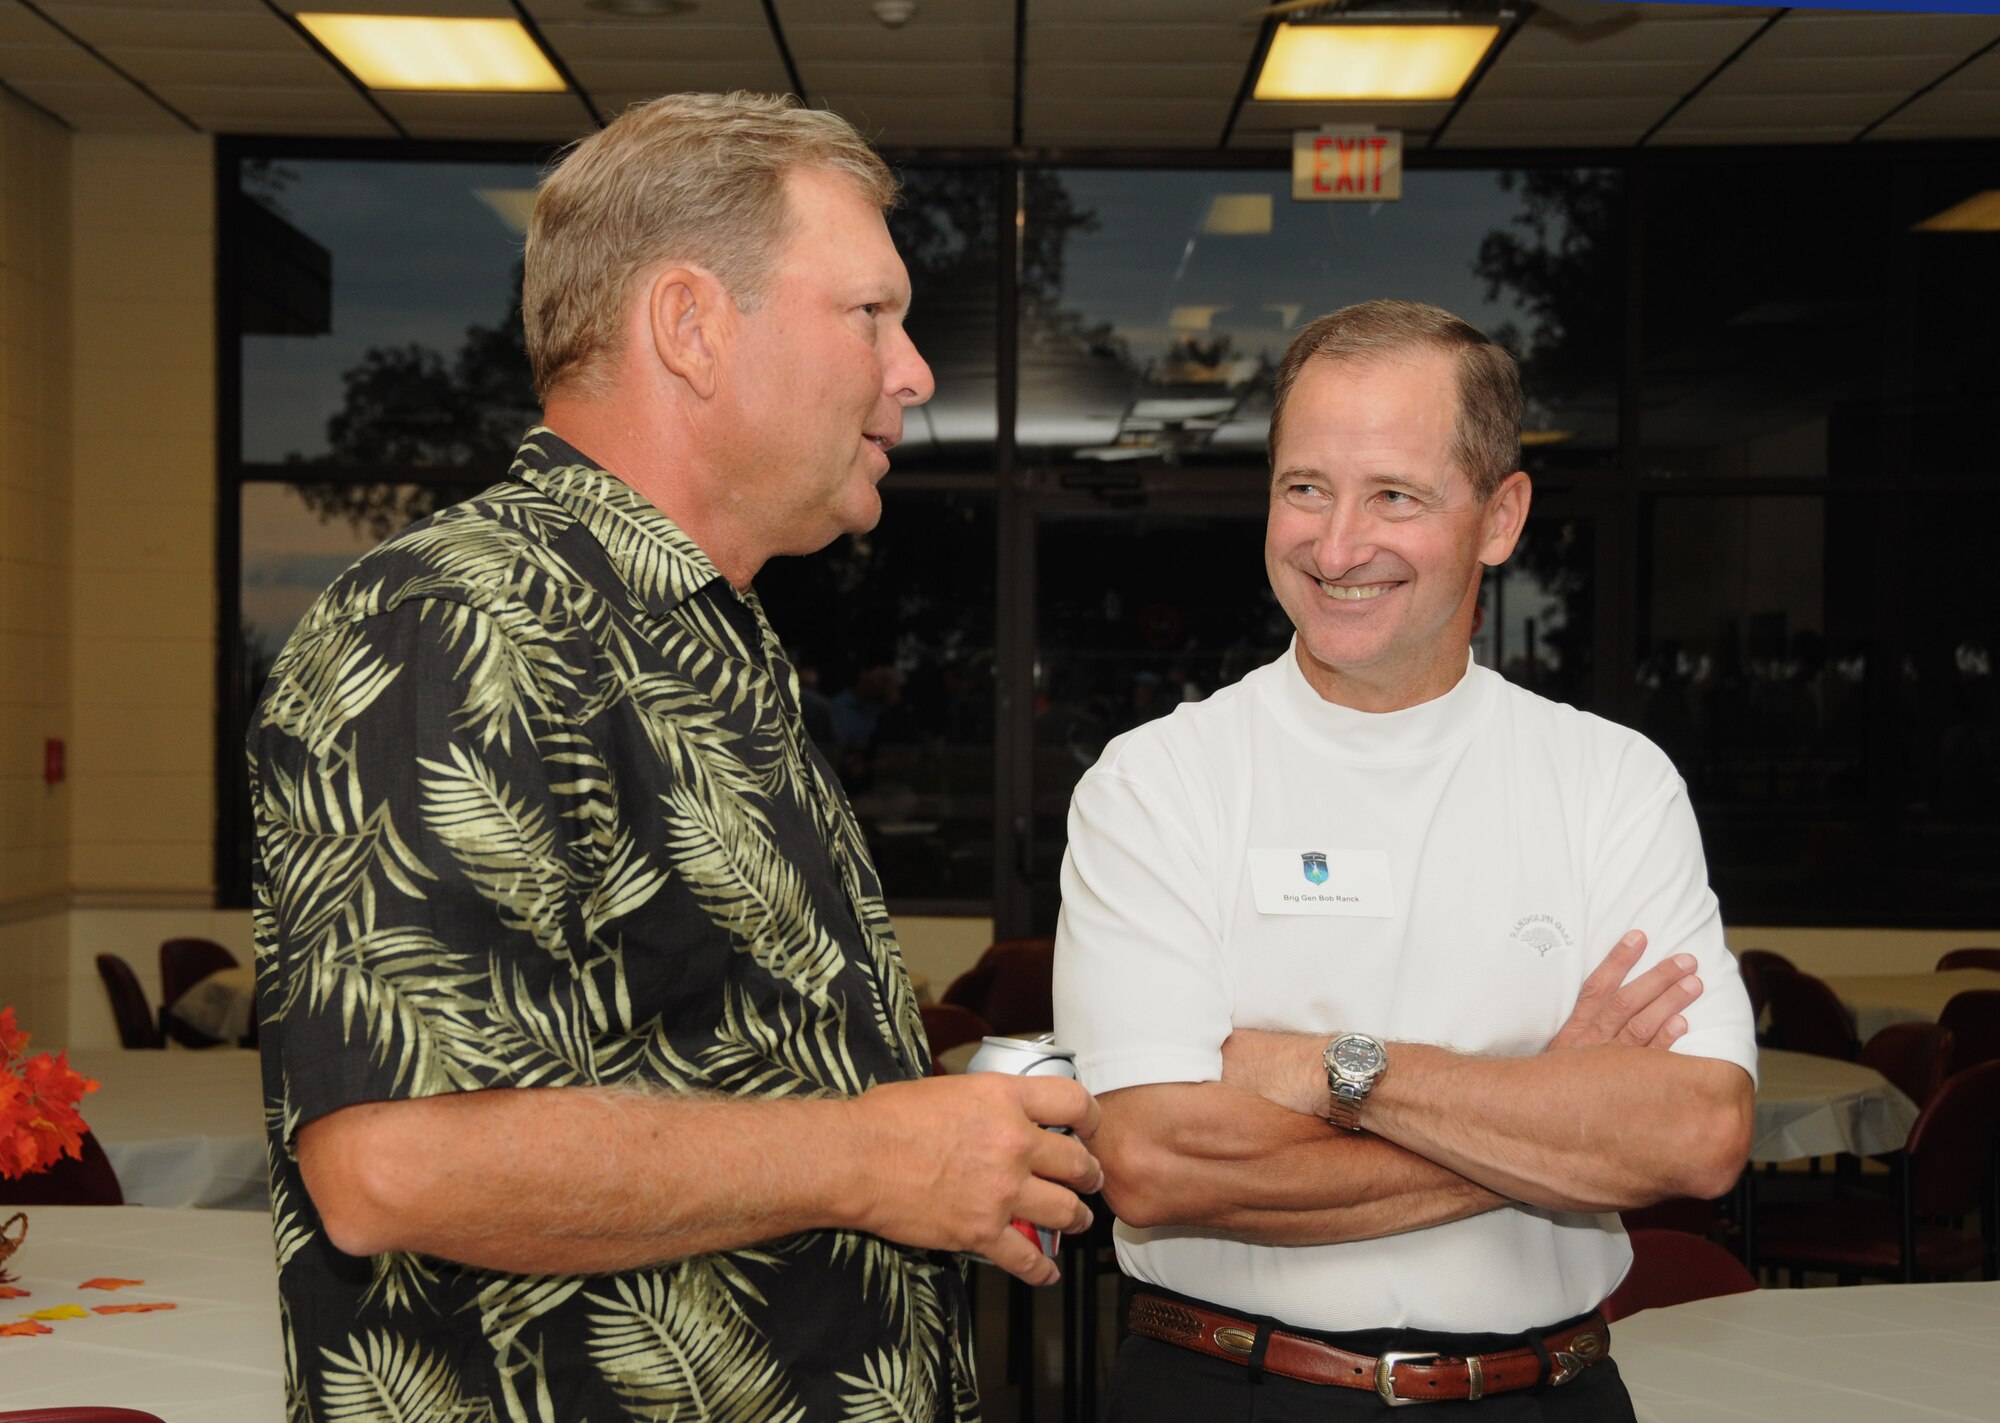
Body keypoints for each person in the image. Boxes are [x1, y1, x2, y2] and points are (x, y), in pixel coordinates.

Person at [247, 92, 1100, 1422]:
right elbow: (394, 1160)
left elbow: (695, 1072)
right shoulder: (463, 620)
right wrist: (873, 1151)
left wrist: (922, 1135)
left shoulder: (698, 637)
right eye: (871, 313)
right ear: (691, 324)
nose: (915, 368)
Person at [1051, 300, 1755, 1419]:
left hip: (1548, 1394)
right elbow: (1152, 1163)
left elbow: (1696, 1132)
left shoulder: (1609, 781)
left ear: (1499, 515)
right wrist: (1545, 1103)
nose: (1336, 547)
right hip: (1233, 1390)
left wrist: (1333, 1069)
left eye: (1393, 495)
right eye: (1304, 488)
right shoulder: (1154, 784)